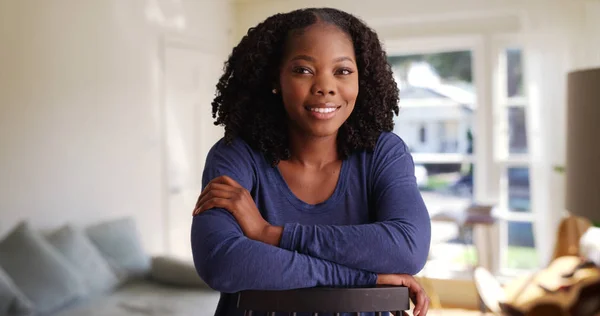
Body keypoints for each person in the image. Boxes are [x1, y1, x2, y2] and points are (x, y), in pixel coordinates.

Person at [191, 7, 432, 316]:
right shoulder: (235, 156)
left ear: (362, 80)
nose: (325, 86)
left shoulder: (383, 153)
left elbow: (408, 248)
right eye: (303, 70)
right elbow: (222, 263)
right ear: (275, 78)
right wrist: (363, 277)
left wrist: (269, 234)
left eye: (342, 71)